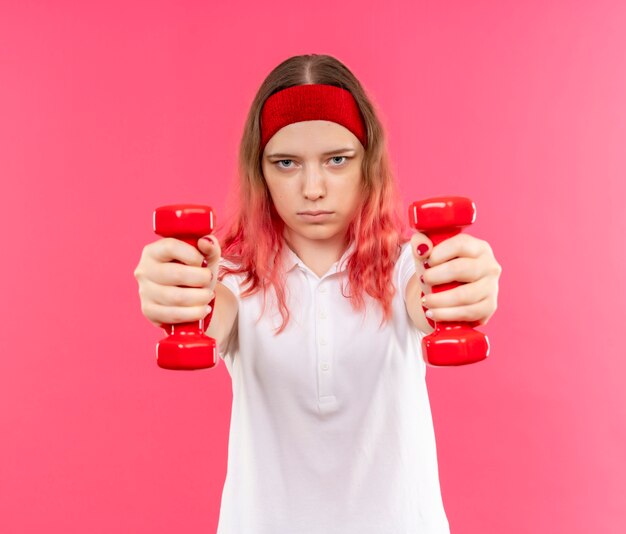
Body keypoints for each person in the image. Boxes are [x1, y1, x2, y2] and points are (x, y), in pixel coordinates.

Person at [133, 54, 502, 534]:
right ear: (260, 172)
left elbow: (429, 296)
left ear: (367, 162)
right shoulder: (230, 274)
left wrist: (463, 286)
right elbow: (209, 313)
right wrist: (176, 296)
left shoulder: (409, 263)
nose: (312, 188)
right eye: (286, 163)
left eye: (337, 160)